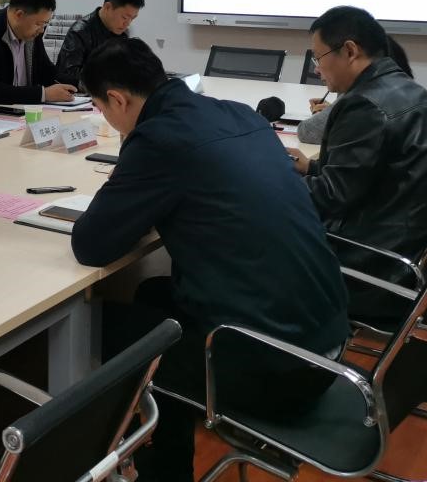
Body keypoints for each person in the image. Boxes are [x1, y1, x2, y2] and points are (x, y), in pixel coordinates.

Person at [73, 39, 348, 482]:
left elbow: (91, 244)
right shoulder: (239, 114)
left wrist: (136, 183)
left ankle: (152, 469)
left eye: (101, 108)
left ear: (118, 100)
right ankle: (168, 448)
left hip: (278, 370)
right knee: (152, 294)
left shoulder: (159, 139)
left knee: (98, 328)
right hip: (328, 341)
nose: (105, 117)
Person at [286, 6, 427, 312]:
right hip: (416, 247)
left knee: (257, 228)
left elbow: (330, 198)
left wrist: (269, 179)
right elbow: (372, 174)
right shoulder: (407, 88)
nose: (317, 68)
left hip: (375, 265)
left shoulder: (364, 106)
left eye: (318, 57)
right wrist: (311, 167)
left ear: (349, 51)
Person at [297, 35, 412, 144]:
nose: (316, 70)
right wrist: (334, 112)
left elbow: (308, 131)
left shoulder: (363, 94)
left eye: (320, 59)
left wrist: (321, 114)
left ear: (351, 53)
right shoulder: (404, 90)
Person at [55, 0, 144, 88]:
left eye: (132, 18)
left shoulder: (122, 33)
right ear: (108, 7)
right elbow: (67, 74)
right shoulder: (80, 31)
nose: (127, 23)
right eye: (124, 17)